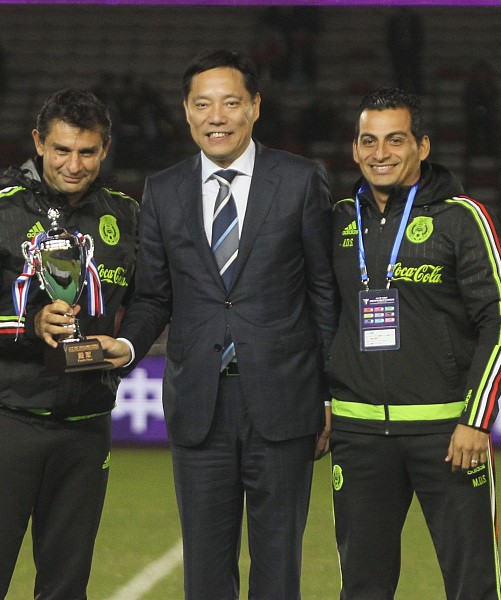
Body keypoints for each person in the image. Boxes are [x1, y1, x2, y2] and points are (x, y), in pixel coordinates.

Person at [95, 49, 338, 600]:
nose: (217, 117)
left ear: (255, 107)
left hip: (285, 402)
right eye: (203, 104)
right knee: (204, 573)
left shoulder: (301, 180)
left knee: (278, 569)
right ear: (186, 111)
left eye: (231, 102)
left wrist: (330, 393)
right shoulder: (163, 189)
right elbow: (153, 296)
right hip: (199, 404)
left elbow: (323, 293)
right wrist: (127, 345)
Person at [0, 88, 140, 600]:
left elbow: (153, 298)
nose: (74, 164)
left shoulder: (127, 217)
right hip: (7, 419)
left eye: (87, 152)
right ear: (38, 143)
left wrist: (128, 343)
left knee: (66, 588)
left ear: (105, 149)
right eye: (62, 150)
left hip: (87, 424)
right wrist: (28, 327)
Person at [327, 87, 501, 600]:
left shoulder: (461, 217)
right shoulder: (339, 218)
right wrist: (324, 401)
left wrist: (476, 419)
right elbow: (320, 317)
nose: (380, 153)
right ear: (354, 149)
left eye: (395, 140)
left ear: (422, 146)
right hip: (358, 433)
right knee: (362, 588)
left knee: (473, 587)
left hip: (448, 436)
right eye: (369, 141)